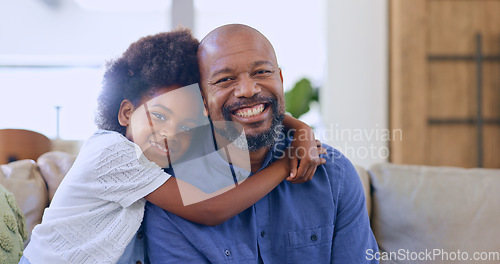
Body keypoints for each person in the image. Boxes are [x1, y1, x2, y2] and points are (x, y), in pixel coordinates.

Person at [20, 29, 325, 264]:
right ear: (126, 112)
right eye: (160, 115)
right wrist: (284, 166)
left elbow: (248, 110)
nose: (170, 134)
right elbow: (210, 210)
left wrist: (300, 127)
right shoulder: (112, 153)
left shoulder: (155, 157)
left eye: (185, 125)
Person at [144, 24, 379, 263]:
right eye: (225, 79)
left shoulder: (332, 175)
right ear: (202, 101)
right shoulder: (173, 193)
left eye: (261, 72)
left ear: (280, 79)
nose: (247, 90)